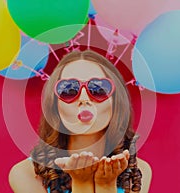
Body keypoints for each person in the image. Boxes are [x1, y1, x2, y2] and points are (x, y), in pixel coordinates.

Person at [9, 50, 152, 193]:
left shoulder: (138, 172)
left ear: (117, 101)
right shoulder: (26, 174)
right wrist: (81, 182)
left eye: (98, 88)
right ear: (54, 105)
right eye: (69, 90)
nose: (84, 98)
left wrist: (106, 185)